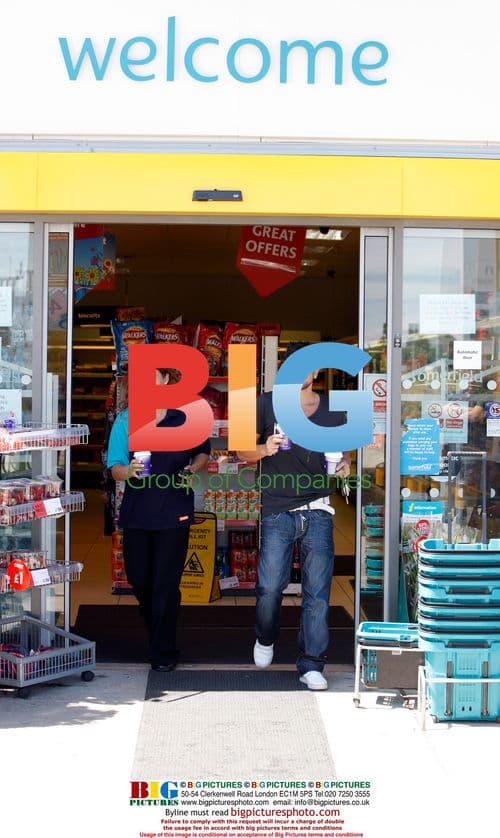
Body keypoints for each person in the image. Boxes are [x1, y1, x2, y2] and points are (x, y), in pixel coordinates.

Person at [237, 343, 351, 690]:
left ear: (316, 372)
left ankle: (312, 664)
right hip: (277, 509)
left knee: (317, 593)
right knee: (270, 587)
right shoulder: (263, 403)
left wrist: (345, 465)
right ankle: (266, 636)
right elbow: (242, 451)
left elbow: (344, 453)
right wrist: (262, 448)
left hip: (318, 508)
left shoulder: (333, 408)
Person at [107, 367, 210, 671]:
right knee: (140, 580)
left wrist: (193, 468)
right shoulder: (126, 419)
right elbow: (114, 466)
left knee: (166, 583)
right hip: (137, 512)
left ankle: (163, 652)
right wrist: (129, 471)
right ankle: (158, 634)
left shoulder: (185, 416)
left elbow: (202, 452)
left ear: (166, 380)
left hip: (174, 510)